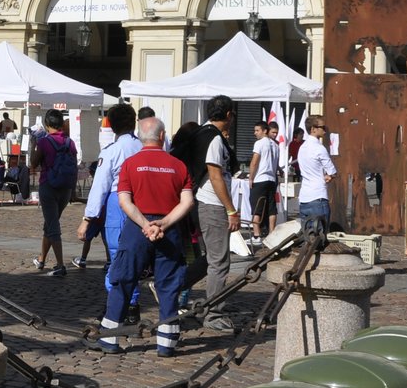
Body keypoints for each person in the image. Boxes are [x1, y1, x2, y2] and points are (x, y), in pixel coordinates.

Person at [96, 117, 195, 357]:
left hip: (136, 229)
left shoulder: (130, 164)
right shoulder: (178, 165)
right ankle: (166, 344)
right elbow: (187, 201)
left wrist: (144, 224)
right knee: (169, 285)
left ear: (141, 137)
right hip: (168, 229)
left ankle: (110, 338)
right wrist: (164, 224)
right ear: (162, 137)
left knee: (124, 280)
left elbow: (124, 201)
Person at [171, 95, 240, 333]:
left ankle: (171, 286)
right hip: (212, 205)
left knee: (210, 258)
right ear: (229, 115)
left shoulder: (200, 133)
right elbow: (215, 176)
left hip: (201, 204)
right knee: (220, 262)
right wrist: (231, 209)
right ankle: (214, 314)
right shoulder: (214, 139)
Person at [76, 103, 142, 321]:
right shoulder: (143, 147)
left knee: (116, 256)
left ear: (112, 126)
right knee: (135, 257)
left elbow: (100, 187)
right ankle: (132, 304)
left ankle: (118, 306)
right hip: (141, 204)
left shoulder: (112, 152)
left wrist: (88, 218)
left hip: (118, 205)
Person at [29, 108, 78, 276]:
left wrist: (34, 143)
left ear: (47, 124)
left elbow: (33, 163)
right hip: (65, 188)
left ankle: (59, 265)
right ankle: (42, 259)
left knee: (53, 226)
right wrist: (72, 189)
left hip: (49, 186)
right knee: (50, 223)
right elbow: (75, 166)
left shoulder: (44, 142)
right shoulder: (69, 142)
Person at [297, 116, 338, 233]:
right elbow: (332, 171)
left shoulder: (302, 147)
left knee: (307, 237)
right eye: (322, 127)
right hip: (318, 197)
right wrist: (329, 176)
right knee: (320, 238)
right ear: (313, 129)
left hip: (304, 197)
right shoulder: (319, 148)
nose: (324, 130)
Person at [247, 120, 281, 239]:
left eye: (257, 130)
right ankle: (272, 233)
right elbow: (276, 164)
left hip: (260, 178)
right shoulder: (276, 145)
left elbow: (254, 162)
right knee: (271, 207)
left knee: (256, 207)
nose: (255, 133)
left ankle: (256, 235)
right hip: (271, 179)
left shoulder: (260, 143)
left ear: (264, 131)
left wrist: (251, 178)